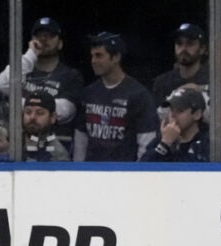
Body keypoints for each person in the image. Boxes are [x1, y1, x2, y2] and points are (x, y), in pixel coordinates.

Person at [0, 17, 84, 149]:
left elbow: (64, 111)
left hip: (53, 149)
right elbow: (1, 85)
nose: (43, 39)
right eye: (39, 35)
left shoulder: (71, 75)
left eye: (50, 35)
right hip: (18, 147)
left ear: (60, 43)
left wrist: (13, 102)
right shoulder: (24, 66)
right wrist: (31, 55)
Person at [73, 32, 157, 161]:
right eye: (92, 56)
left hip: (123, 173)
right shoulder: (88, 92)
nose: (93, 61)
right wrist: (78, 170)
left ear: (116, 57)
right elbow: (81, 138)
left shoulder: (138, 94)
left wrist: (140, 173)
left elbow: (146, 140)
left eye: (99, 55)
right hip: (91, 172)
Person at [142, 87, 208, 162]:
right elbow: (142, 169)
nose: (173, 115)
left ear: (197, 115)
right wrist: (164, 144)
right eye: (171, 109)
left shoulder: (208, 141)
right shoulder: (163, 138)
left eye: (179, 111)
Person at [151, 23, 209, 107]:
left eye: (190, 44)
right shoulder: (162, 82)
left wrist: (201, 89)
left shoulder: (213, 80)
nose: (183, 49)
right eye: (179, 43)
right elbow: (157, 117)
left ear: (202, 49)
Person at [22, 91, 70, 161]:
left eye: (40, 113)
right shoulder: (11, 142)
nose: (32, 117)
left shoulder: (58, 154)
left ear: (53, 117)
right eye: (28, 112)